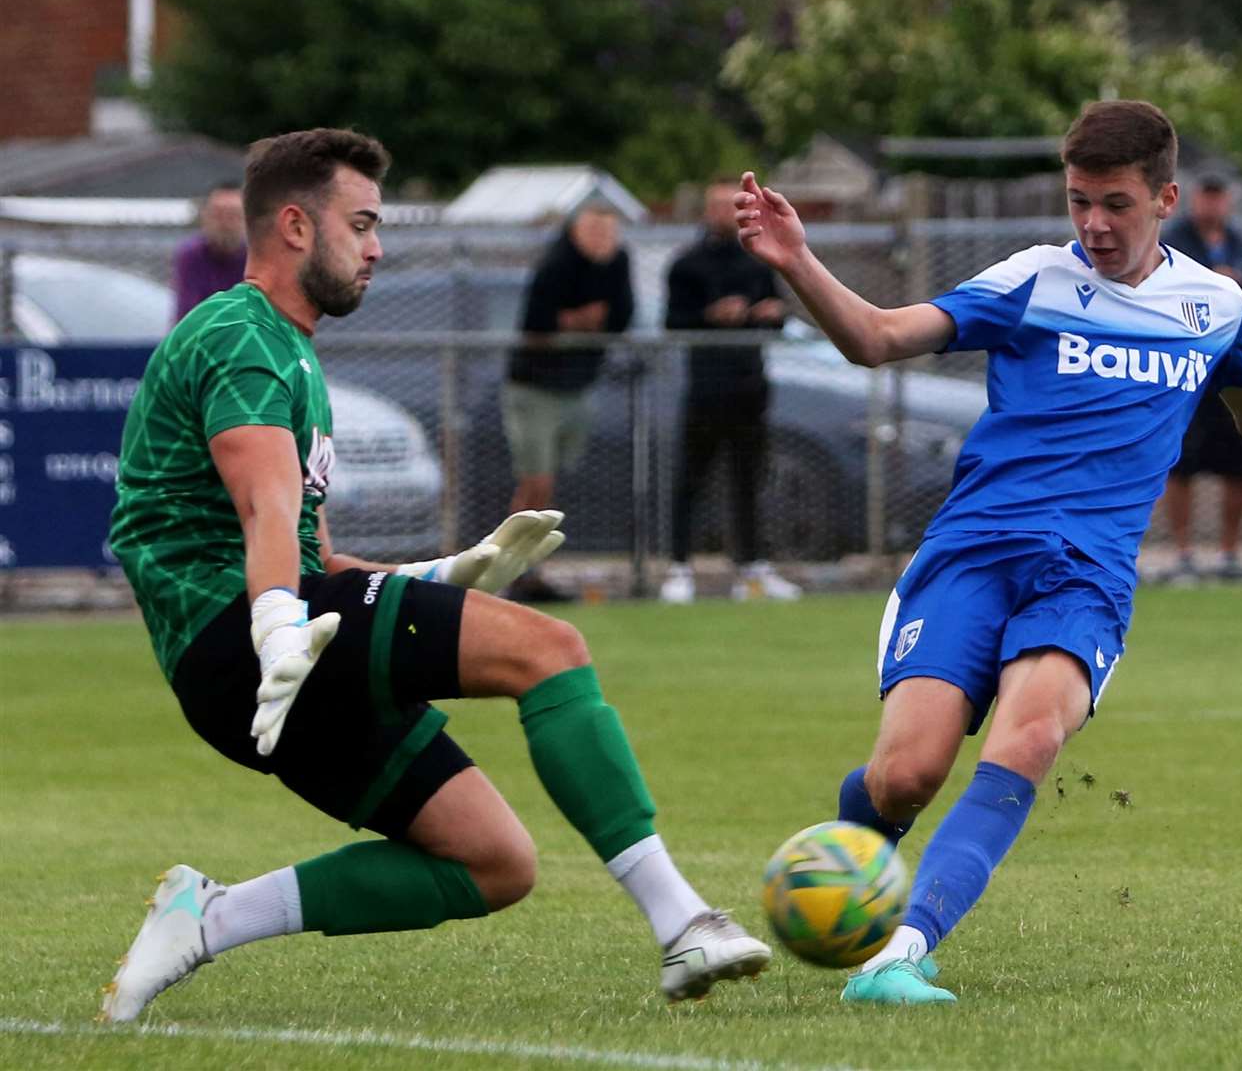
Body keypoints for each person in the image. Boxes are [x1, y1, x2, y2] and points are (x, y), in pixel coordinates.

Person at [734, 100, 1242, 1006]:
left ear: (1165, 198)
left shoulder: (1212, 305)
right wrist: (797, 262)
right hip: (973, 553)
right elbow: (876, 338)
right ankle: (850, 859)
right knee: (907, 775)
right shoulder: (1033, 280)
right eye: (1077, 202)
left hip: (1087, 575)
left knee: (1028, 739)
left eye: (1115, 204)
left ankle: (899, 953)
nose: (1094, 225)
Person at [101, 128, 768, 1024]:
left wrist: (450, 571)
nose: (378, 247)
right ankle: (685, 921)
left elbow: (315, 557)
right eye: (363, 223)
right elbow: (266, 514)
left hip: (263, 653)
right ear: (296, 226)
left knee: (494, 863)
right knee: (550, 648)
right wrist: (275, 626)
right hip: (246, 641)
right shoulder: (240, 335)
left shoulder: (288, 349)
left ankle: (208, 918)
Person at [660, 180, 802, 604]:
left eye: (732, 204)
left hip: (749, 386)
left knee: (748, 477)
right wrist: (712, 316)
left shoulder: (759, 261)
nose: (725, 212)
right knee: (691, 478)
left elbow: (777, 314)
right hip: (706, 387)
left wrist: (769, 314)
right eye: (718, 205)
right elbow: (673, 323)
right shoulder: (686, 264)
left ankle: (751, 569)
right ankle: (680, 567)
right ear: (706, 210)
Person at [501, 203, 635, 603]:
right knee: (535, 482)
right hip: (535, 389)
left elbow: (621, 317)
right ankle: (511, 567)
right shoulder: (556, 264)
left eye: (609, 233)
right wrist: (579, 321)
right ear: (576, 230)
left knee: (550, 484)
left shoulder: (618, 263)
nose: (602, 241)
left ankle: (528, 569)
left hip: (577, 387)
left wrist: (580, 321)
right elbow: (536, 324)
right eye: (594, 231)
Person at [1161, 170, 1242, 579]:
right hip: (1186, 368)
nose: (1213, 205)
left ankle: (1229, 554)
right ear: (1193, 200)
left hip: (1230, 365)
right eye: (1206, 197)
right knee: (1181, 464)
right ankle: (1183, 554)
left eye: (1219, 197)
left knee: (1239, 463)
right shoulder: (1175, 240)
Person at [172, 182, 248, 320]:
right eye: (218, 215)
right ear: (205, 216)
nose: (225, 224)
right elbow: (188, 316)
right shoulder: (191, 257)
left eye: (233, 215)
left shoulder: (258, 257)